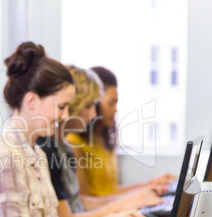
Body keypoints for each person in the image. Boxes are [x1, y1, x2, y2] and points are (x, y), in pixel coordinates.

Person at [0, 42, 146, 217]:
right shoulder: (4, 157)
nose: (66, 115)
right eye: (61, 107)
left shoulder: (36, 154)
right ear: (31, 100)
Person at [37, 65, 165, 217]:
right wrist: (124, 205)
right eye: (88, 105)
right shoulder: (49, 149)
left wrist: (135, 197)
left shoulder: (64, 147)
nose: (93, 114)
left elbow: (79, 202)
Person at [66, 66, 175, 197]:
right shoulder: (73, 143)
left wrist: (149, 184)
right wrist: (137, 196)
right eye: (111, 103)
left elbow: (112, 191)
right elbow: (86, 202)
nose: (115, 110)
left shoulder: (101, 138)